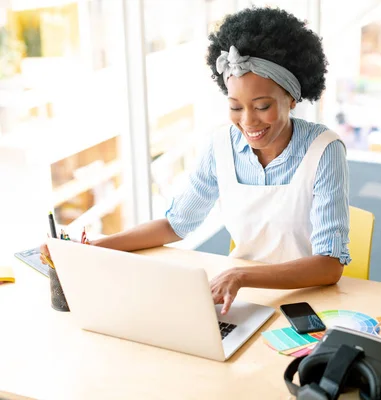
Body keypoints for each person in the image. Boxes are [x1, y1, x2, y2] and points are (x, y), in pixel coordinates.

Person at [41, 7, 351, 315]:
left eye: (262, 106)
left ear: (292, 97)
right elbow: (176, 224)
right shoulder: (221, 147)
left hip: (308, 302)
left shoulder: (324, 150)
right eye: (235, 107)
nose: (248, 122)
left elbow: (329, 266)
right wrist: (95, 247)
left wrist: (240, 275)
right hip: (244, 300)